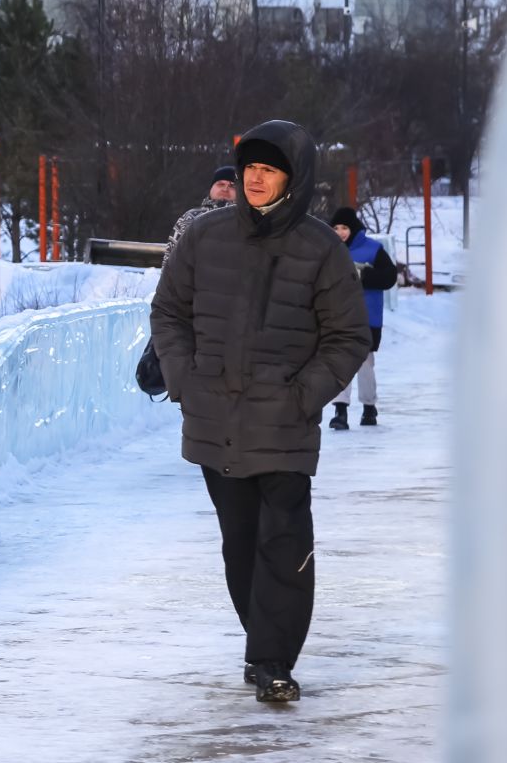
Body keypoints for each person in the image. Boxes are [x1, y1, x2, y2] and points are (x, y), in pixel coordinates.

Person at [150, 121, 371, 703]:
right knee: (240, 542)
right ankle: (263, 646)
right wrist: (184, 379)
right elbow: (168, 313)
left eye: (269, 168)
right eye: (250, 166)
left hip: (284, 424)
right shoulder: (204, 238)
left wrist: (302, 395)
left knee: (285, 541)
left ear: (293, 180)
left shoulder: (322, 248)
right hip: (215, 420)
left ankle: (273, 660)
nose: (254, 176)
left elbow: (348, 337)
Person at [327, 206, 397, 430]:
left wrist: (364, 275)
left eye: (344, 227)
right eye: (335, 228)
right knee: (340, 363)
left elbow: (390, 277)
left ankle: (369, 406)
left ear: (353, 228)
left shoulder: (373, 249)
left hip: (367, 317)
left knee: (365, 363)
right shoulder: (327, 250)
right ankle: (340, 410)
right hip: (336, 317)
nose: (340, 232)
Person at [167, 165, 238, 254]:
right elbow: (170, 257)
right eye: (220, 184)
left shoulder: (246, 220)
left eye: (232, 186)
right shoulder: (190, 218)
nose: (225, 189)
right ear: (211, 188)